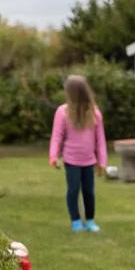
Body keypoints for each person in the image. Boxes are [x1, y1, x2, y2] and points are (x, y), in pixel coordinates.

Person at [49, 74, 107, 232]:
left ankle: (89, 221)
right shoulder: (63, 112)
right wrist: (53, 156)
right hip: (71, 160)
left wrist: (102, 161)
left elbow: (100, 139)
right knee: (73, 190)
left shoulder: (94, 113)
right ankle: (76, 221)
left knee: (89, 192)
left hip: (89, 160)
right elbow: (57, 136)